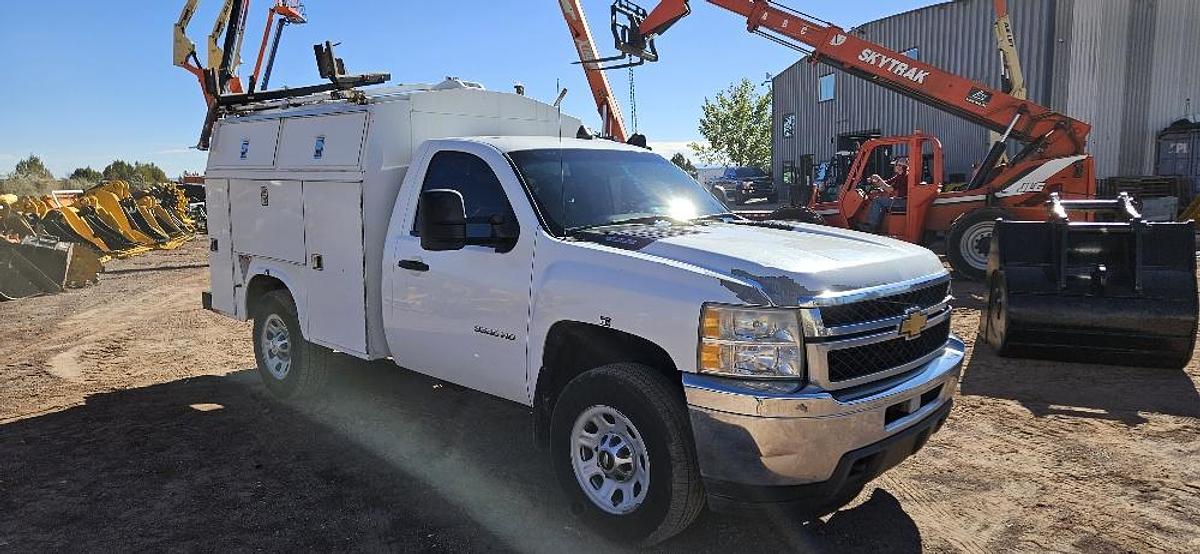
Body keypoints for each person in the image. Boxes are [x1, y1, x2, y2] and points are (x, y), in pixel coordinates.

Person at [865, 157, 909, 232]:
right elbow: (887, 182)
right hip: (901, 200)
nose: (897, 167)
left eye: (899, 165)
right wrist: (875, 181)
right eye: (897, 165)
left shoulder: (903, 176)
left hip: (901, 202)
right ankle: (878, 225)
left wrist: (878, 179)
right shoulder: (900, 175)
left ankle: (872, 226)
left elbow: (890, 189)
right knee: (881, 199)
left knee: (877, 200)